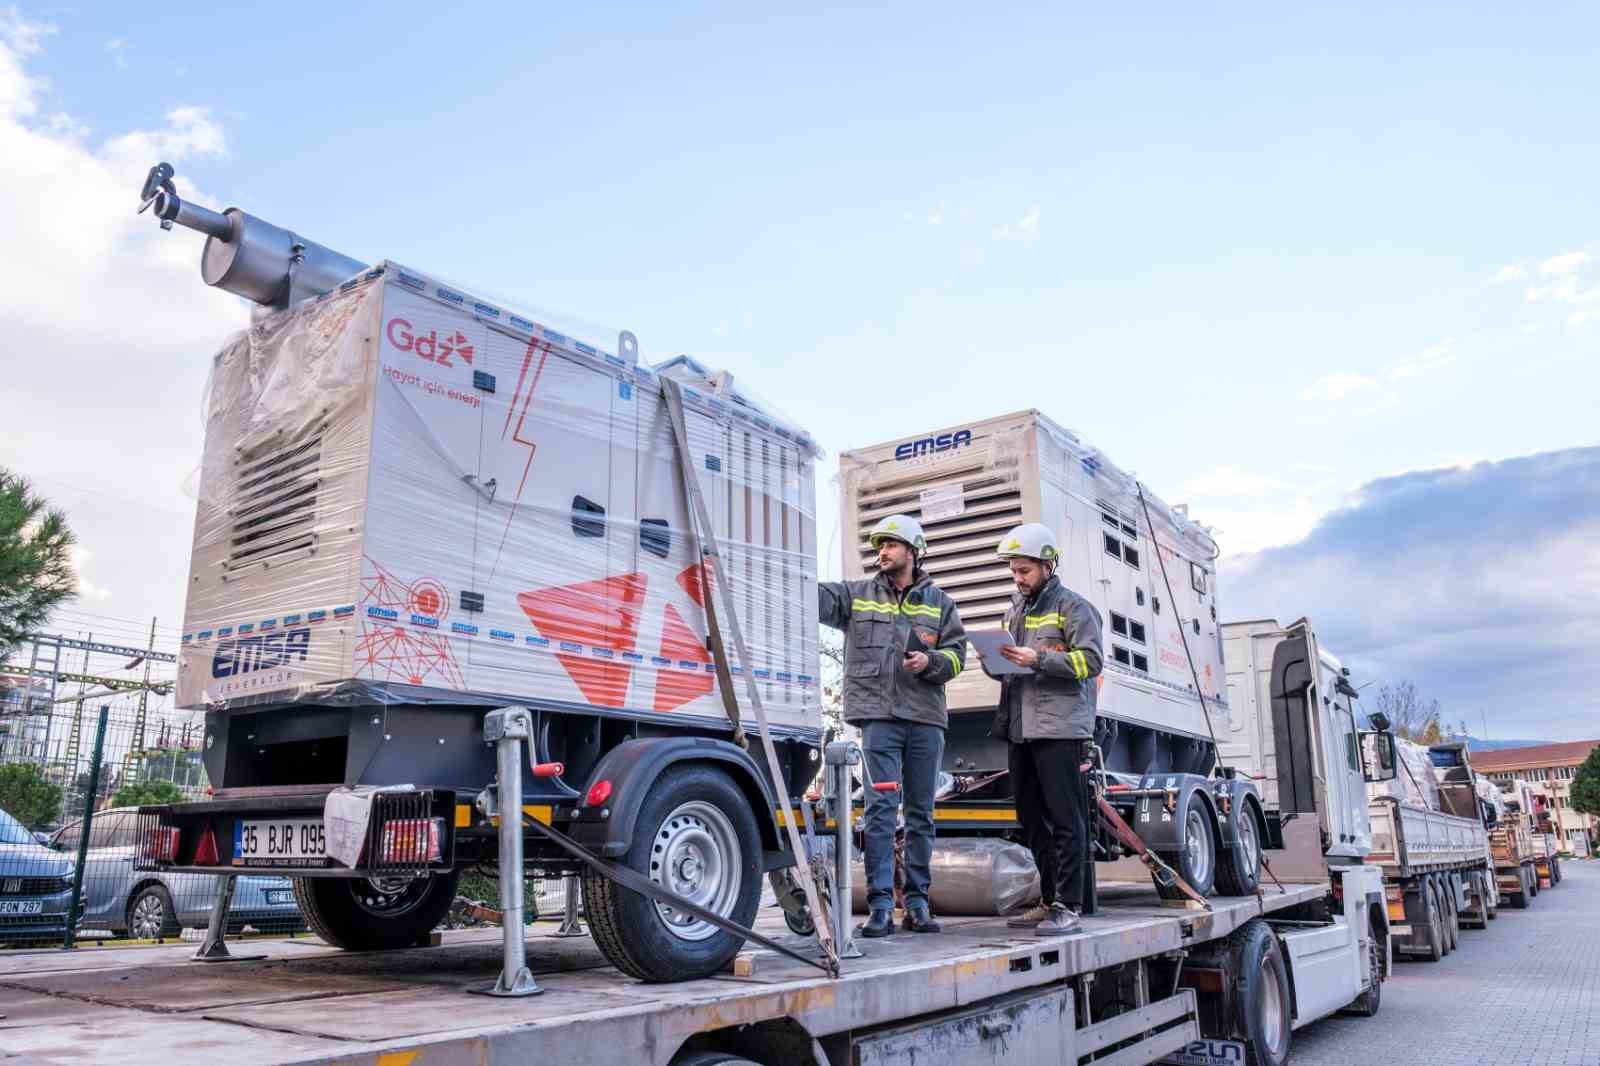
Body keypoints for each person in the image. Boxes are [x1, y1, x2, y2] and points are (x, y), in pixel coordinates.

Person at [820, 513, 967, 936]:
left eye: (890, 545)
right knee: (882, 812)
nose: (881, 552)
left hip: (925, 720)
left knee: (921, 813)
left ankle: (918, 904)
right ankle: (881, 906)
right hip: (879, 720)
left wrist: (931, 662)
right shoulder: (856, 595)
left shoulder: (940, 603)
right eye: (878, 546)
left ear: (913, 551)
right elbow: (810, 595)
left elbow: (958, 656)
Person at [987, 522, 1103, 936]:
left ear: (1048, 565)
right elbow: (1013, 664)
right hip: (1020, 727)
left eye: (1025, 571)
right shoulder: (1014, 609)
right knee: (1031, 818)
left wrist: (1035, 659)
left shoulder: (1075, 608)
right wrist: (994, 660)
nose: (1017, 579)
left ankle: (1069, 905)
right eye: (1014, 571)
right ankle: (1050, 898)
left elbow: (1090, 662)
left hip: (1060, 729)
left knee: (1066, 818)